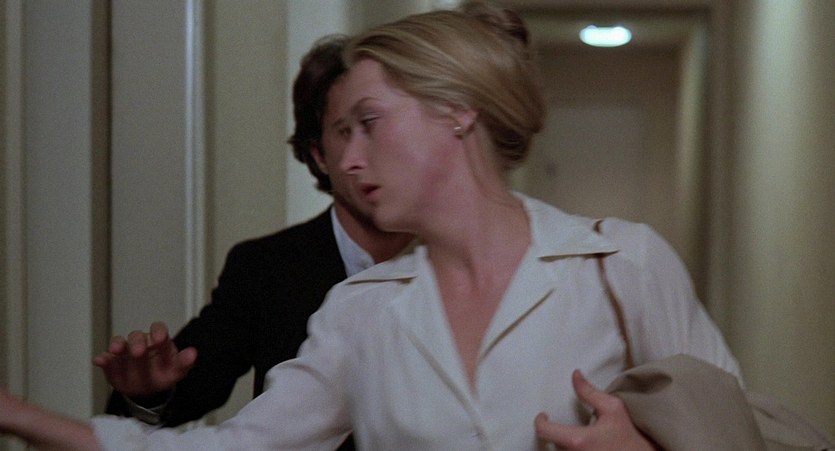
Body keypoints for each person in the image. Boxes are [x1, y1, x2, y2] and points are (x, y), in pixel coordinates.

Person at [0, 2, 747, 449]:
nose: (346, 161)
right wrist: (20, 415)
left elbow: (739, 430)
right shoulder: (360, 312)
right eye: (339, 135)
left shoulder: (621, 264)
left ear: (456, 112)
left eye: (369, 123)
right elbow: (236, 447)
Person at [91, 34, 412, 448]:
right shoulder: (267, 268)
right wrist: (147, 393)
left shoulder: (455, 253)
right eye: (346, 131)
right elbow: (191, 385)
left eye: (376, 125)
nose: (365, 153)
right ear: (319, 154)